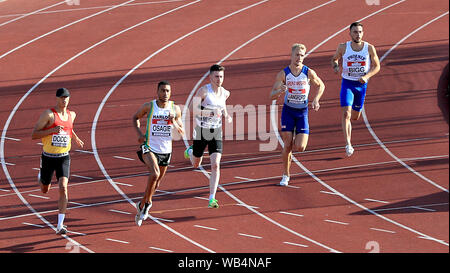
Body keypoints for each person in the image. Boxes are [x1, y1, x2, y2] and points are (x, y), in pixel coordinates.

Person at [270, 43, 325, 186]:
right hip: (288, 112)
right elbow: (271, 96)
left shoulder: (308, 73)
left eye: (302, 55)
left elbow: (321, 85)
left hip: (302, 113)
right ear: (291, 56)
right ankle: (285, 174)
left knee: (300, 147)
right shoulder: (283, 74)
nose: (299, 58)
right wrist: (280, 91)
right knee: (287, 145)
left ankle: (293, 141)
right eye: (297, 55)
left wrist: (316, 99)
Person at [31, 87, 84, 235]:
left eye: (66, 97)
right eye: (61, 98)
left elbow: (68, 128)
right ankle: (41, 176)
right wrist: (51, 131)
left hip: (63, 157)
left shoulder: (72, 114)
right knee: (44, 189)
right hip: (48, 157)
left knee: (63, 186)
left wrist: (76, 138)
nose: (64, 100)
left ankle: (60, 225)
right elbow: (34, 134)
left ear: (69, 99)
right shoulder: (48, 115)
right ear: (57, 99)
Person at [132, 81, 184, 226]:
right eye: (162, 91)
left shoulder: (175, 109)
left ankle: (141, 205)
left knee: (157, 183)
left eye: (168, 91)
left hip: (166, 150)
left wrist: (173, 122)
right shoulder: (149, 106)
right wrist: (139, 133)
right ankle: (148, 203)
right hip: (149, 147)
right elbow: (135, 117)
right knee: (154, 174)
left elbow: (181, 131)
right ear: (157, 92)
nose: (165, 94)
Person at [184, 64, 232, 208]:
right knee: (196, 164)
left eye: (221, 76)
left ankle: (212, 198)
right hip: (201, 131)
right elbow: (192, 109)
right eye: (216, 76)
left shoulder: (225, 93)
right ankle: (191, 151)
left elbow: (223, 105)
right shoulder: (204, 91)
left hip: (216, 132)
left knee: (215, 164)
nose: (219, 79)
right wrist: (208, 113)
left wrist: (227, 115)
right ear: (210, 77)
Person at [331, 21, 381, 157]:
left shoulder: (369, 48)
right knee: (346, 114)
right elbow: (334, 59)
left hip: (361, 85)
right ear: (350, 33)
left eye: (360, 32)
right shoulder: (343, 47)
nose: (358, 34)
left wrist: (367, 76)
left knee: (355, 117)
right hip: (347, 83)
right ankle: (348, 144)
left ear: (363, 33)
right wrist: (335, 66)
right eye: (355, 32)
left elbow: (377, 66)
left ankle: (353, 119)